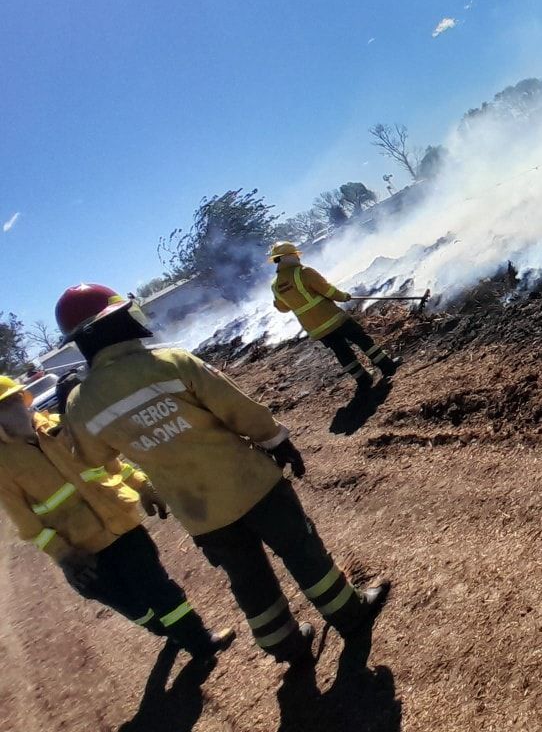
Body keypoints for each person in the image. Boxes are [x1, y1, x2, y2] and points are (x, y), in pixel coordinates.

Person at [55, 283, 390, 671]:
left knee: (247, 577)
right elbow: (237, 409)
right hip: (252, 485)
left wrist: (140, 482)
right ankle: (348, 613)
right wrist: (277, 440)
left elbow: (93, 460)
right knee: (300, 548)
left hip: (200, 514)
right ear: (115, 324)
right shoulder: (170, 361)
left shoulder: (82, 404)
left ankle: (283, 644)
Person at [0, 375, 234, 659]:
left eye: (15, 402)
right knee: (133, 606)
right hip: (84, 549)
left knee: (156, 587)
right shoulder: (4, 466)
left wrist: (142, 485)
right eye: (5, 407)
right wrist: (63, 555)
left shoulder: (59, 427)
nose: (16, 410)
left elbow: (105, 463)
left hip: (123, 524)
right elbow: (26, 523)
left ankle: (200, 641)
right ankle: (167, 631)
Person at [266, 241, 402, 390]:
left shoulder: (275, 285)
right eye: (295, 255)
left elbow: (283, 308)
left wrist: (278, 303)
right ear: (290, 256)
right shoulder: (304, 272)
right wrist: (343, 297)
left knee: (342, 352)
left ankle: (363, 381)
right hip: (334, 319)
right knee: (362, 340)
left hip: (316, 329)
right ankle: (387, 367)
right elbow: (327, 290)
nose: (298, 258)